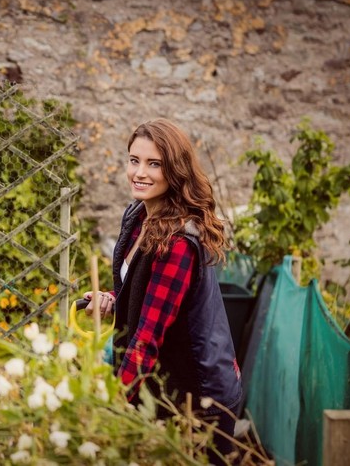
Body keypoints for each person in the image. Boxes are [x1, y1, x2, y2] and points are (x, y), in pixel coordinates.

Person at [85, 118, 242, 464]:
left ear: (174, 170)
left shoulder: (179, 243)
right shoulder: (139, 216)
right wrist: (114, 300)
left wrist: (112, 403)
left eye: (154, 164)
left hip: (198, 401)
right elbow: (143, 294)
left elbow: (147, 336)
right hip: (161, 386)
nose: (139, 172)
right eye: (133, 160)